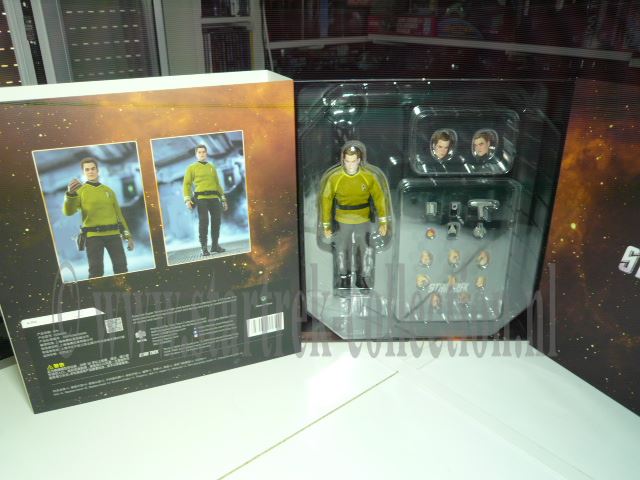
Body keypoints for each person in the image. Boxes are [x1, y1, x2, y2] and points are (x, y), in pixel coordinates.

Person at [320, 141, 389, 290]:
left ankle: (362, 277)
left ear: (359, 160)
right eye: (347, 161)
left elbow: (379, 198)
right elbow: (326, 200)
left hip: (363, 219)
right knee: (342, 249)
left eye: (353, 161)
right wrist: (326, 225)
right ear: (343, 160)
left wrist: (384, 222)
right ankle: (343, 277)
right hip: (342, 220)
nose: (350, 165)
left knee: (365, 249)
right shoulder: (335, 178)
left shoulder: (368, 177)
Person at [63, 157, 134, 279]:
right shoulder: (79, 192)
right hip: (93, 237)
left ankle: (124, 289)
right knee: (96, 271)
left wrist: (128, 237)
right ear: (83, 172)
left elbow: (119, 216)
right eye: (87, 169)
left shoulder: (109, 191)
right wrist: (70, 195)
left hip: (113, 235)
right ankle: (96, 290)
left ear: (97, 170)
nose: (90, 171)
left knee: (121, 267)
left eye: (93, 168)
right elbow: (68, 212)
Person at [183, 144, 228, 256]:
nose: (202, 154)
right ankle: (204, 248)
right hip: (201, 198)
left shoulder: (211, 167)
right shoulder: (191, 167)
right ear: (196, 154)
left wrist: (223, 199)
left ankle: (215, 246)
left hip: (214, 198)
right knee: (204, 222)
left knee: (216, 222)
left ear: (206, 153)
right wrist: (187, 199)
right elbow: (186, 184)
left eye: (203, 152)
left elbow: (217, 184)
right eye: (199, 152)